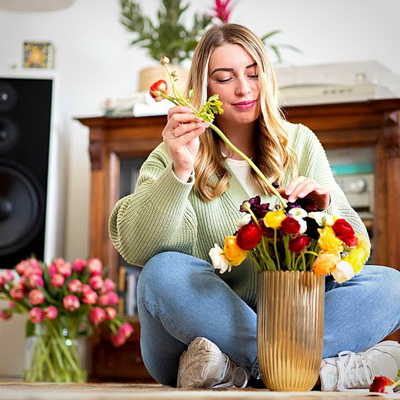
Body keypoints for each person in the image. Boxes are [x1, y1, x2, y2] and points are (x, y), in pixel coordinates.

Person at [109, 23, 400, 390]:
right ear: (204, 87)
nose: (244, 89)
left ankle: (238, 371)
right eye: (225, 77)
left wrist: (324, 213)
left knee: (391, 284)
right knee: (161, 271)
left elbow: (357, 248)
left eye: (252, 73)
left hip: (292, 319)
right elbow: (139, 249)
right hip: (200, 334)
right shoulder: (173, 153)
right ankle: (312, 371)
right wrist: (180, 169)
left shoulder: (299, 144)